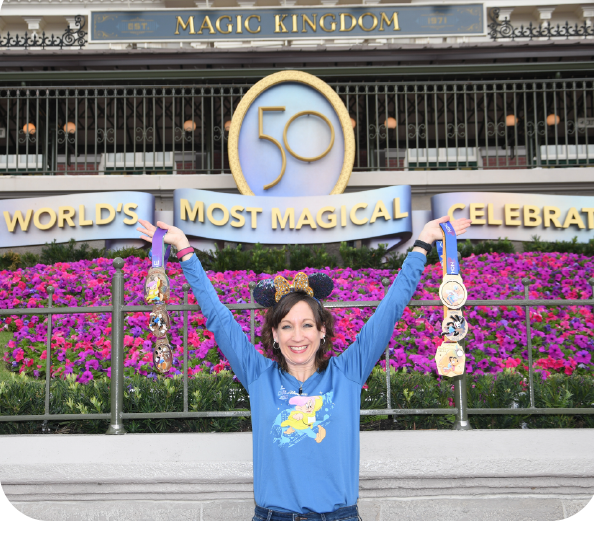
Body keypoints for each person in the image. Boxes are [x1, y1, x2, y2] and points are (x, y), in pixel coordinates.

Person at [137, 216, 470, 521]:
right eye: (286, 326)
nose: (298, 337)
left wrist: (422, 244)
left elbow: (390, 308)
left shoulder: (347, 372)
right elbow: (218, 317)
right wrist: (184, 251)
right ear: (274, 336)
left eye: (307, 325)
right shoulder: (258, 376)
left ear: (322, 331)